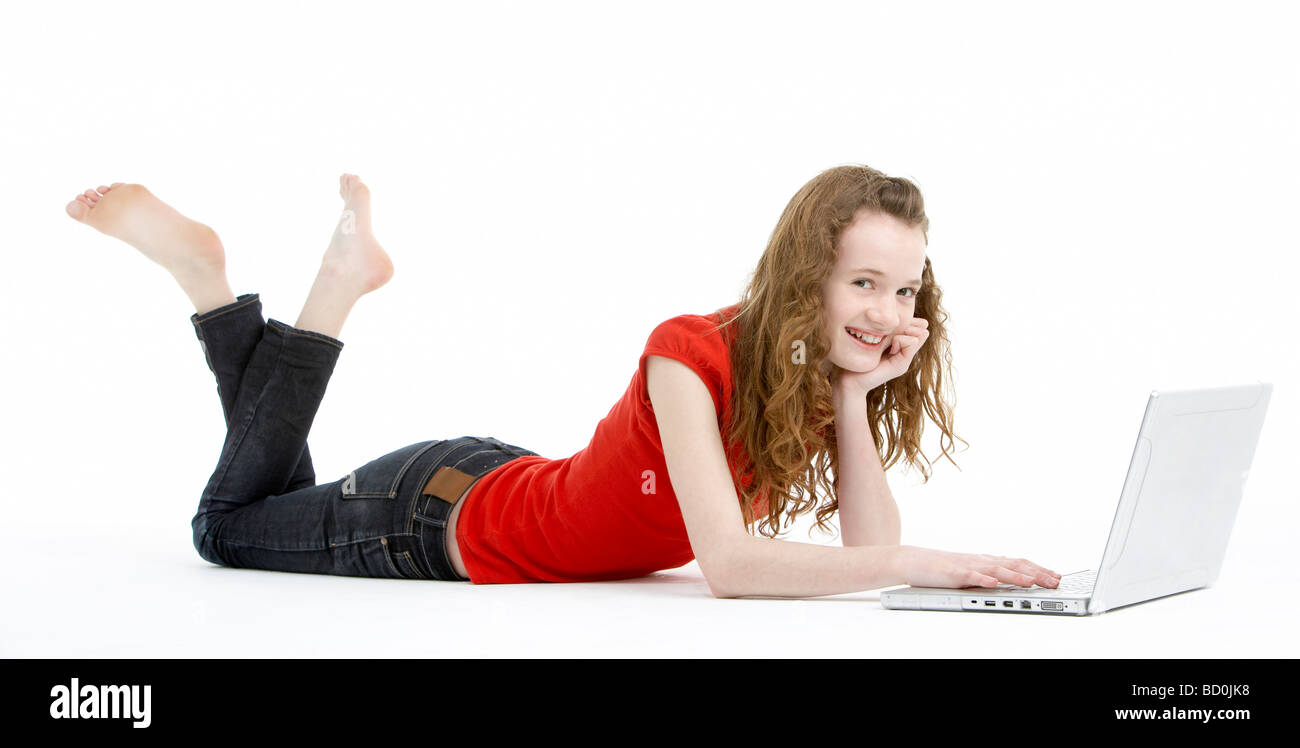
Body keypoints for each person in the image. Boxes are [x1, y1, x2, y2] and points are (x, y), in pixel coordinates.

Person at [64, 167, 1061, 597]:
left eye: (902, 286)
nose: (888, 310)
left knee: (263, 495)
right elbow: (731, 562)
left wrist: (853, 394)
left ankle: (256, 287)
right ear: (807, 272)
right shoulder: (688, 348)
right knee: (226, 525)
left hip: (503, 478)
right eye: (862, 282)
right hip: (429, 521)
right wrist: (943, 564)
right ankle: (232, 282)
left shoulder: (802, 378)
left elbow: (868, 547)